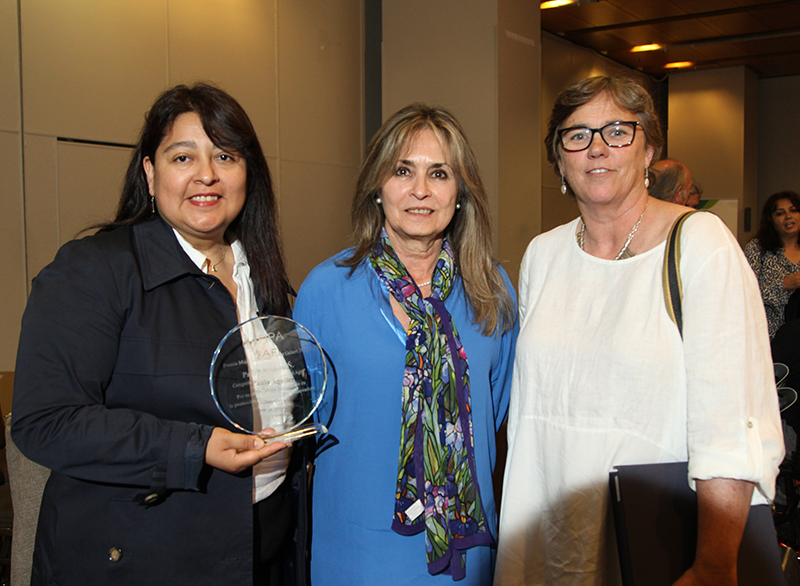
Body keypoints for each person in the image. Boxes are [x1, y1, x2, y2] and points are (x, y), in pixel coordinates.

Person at [11, 83, 309, 586]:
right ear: (150, 173)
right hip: (147, 556)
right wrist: (194, 447)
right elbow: (46, 421)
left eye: (226, 156)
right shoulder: (96, 270)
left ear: (247, 173)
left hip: (264, 546)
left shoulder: (261, 278)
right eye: (182, 157)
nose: (207, 174)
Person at [494, 76, 783, 586]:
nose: (597, 147)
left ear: (649, 147)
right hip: (543, 537)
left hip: (653, 540)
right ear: (559, 161)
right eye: (577, 135)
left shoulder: (700, 244)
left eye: (617, 131)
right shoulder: (544, 254)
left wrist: (714, 564)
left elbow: (733, 417)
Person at [293, 103, 518, 585]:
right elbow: (303, 424)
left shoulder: (492, 291)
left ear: (460, 193)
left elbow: (495, 410)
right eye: (402, 171)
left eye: (438, 173)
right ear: (378, 187)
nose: (420, 190)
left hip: (466, 551)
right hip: (354, 548)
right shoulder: (326, 289)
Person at [744, 191, 800, 340]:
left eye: (793, 210)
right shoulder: (758, 249)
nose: (789, 216)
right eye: (780, 213)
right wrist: (782, 285)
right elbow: (745, 294)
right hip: (769, 339)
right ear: (771, 220)